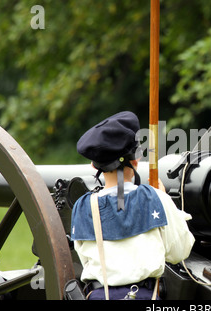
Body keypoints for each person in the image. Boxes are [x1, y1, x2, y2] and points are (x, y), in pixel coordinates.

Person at [70, 111, 195, 300]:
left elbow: (84, 258)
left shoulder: (82, 207)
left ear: (95, 166)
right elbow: (180, 251)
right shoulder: (157, 199)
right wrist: (164, 198)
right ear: (136, 160)